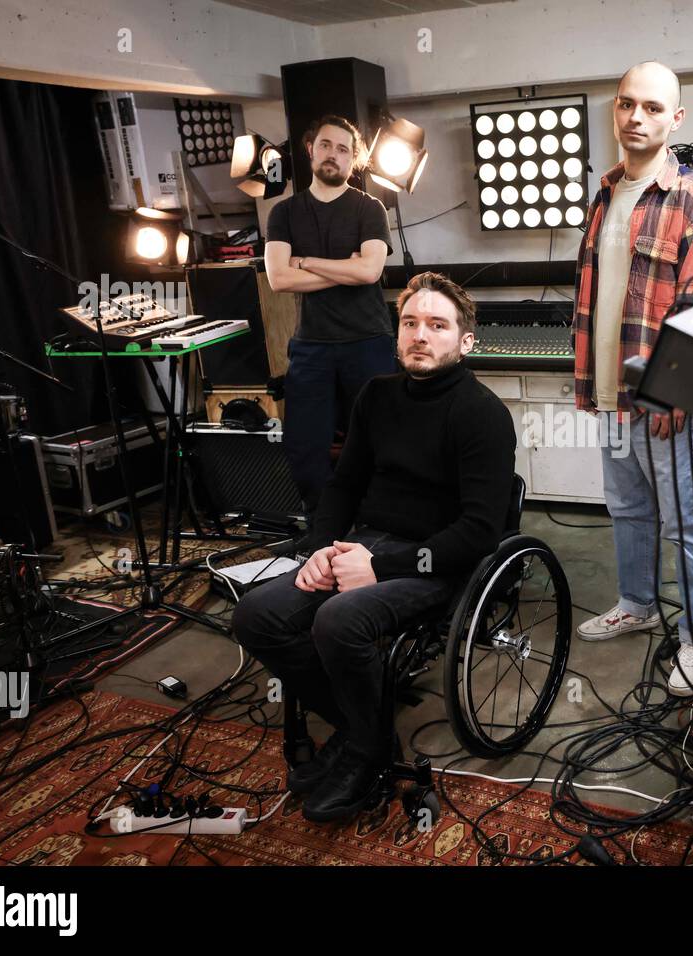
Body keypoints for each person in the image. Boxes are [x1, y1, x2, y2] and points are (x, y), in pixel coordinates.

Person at [233, 272, 516, 823]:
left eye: (438, 325)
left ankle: (366, 752)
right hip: (362, 544)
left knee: (338, 622)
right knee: (257, 615)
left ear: (465, 341)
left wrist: (380, 566)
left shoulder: (483, 414)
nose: (420, 335)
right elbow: (344, 486)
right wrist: (319, 549)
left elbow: (479, 533)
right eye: (410, 323)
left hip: (435, 561)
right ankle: (365, 728)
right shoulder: (377, 396)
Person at [572, 61, 693, 696]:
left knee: (690, 524)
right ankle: (638, 604)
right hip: (612, 387)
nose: (635, 117)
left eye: (651, 107)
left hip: (666, 394)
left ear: (675, 119)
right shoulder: (606, 190)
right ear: (615, 111)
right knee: (627, 507)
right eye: (626, 105)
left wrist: (677, 388)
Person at [264, 114, 396, 514]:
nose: (332, 155)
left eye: (343, 149)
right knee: (305, 446)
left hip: (368, 340)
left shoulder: (369, 209)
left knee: (380, 440)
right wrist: (344, 269)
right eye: (325, 145)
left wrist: (305, 262)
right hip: (312, 345)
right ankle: (323, 533)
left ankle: (378, 528)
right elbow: (278, 280)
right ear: (310, 149)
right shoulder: (284, 213)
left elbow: (370, 271)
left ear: (353, 160)